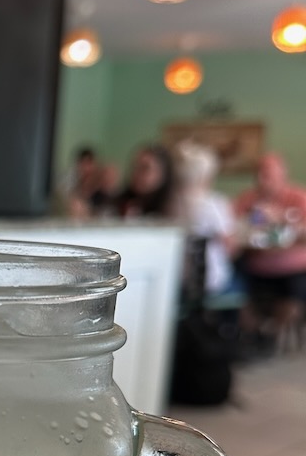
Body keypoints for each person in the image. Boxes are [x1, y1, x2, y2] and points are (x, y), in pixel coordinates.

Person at [233, 152, 306, 349]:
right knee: (233, 279)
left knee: (298, 288)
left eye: (269, 174)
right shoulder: (246, 199)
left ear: (283, 174)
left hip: (292, 265)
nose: (263, 179)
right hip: (255, 262)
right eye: (260, 174)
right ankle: (253, 332)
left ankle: (272, 334)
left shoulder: (298, 197)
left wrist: (281, 219)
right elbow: (233, 230)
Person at [170, 140, 239, 299]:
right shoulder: (215, 203)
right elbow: (231, 248)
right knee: (242, 276)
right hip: (210, 281)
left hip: (177, 279)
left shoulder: (171, 203)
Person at [115, 144, 175, 219]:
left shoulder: (173, 208)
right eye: (134, 166)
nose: (136, 173)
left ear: (163, 173)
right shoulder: (119, 204)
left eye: (145, 168)